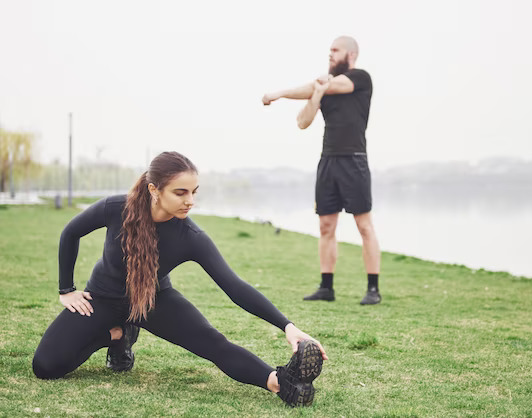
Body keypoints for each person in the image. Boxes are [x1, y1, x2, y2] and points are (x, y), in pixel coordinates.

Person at [32, 151, 327, 408]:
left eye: (194, 192)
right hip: (102, 298)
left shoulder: (191, 237)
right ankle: (118, 335)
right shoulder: (116, 208)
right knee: (46, 365)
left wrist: (287, 326)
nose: (190, 201)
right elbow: (71, 233)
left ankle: (282, 383)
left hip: (153, 301)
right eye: (181, 193)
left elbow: (234, 287)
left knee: (213, 343)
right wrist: (66, 289)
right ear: (154, 189)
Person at [262, 36, 382, 305]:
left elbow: (324, 85)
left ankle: (373, 289)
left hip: (354, 161)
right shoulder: (323, 88)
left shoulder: (360, 78)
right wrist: (315, 95)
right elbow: (302, 122)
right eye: (329, 50)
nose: (330, 54)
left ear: (351, 54)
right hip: (328, 162)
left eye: (335, 50)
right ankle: (326, 287)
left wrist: (280, 94)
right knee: (326, 225)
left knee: (364, 225)